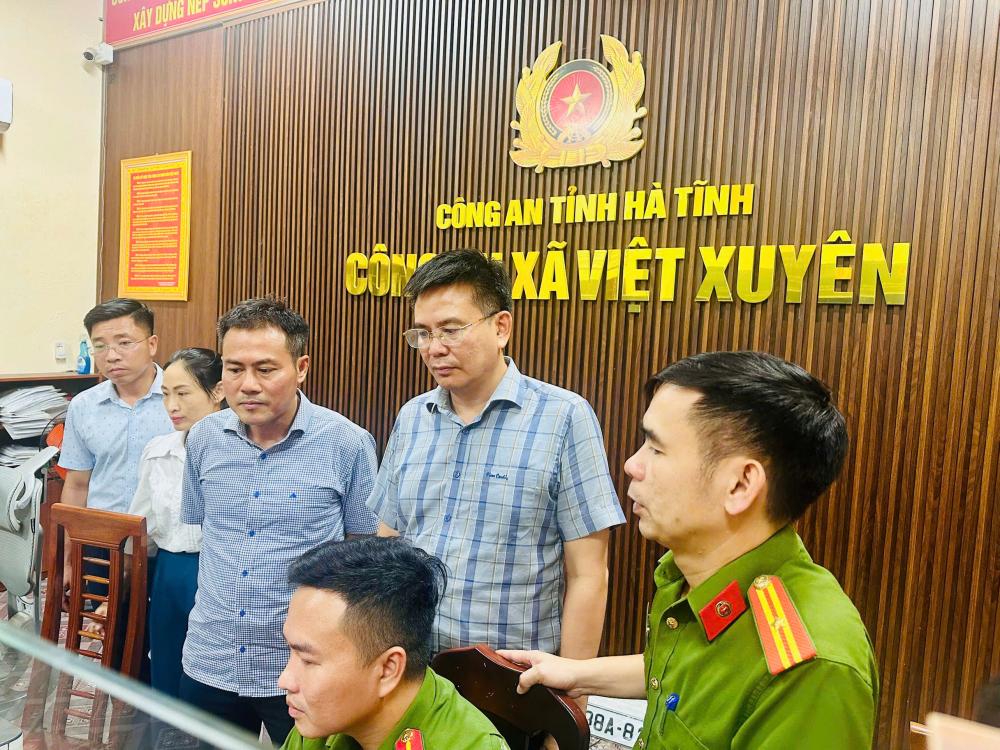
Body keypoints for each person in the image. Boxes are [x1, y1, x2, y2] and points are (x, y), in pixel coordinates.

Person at [500, 352, 880, 749]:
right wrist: (576, 673)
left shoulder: (808, 670)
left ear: (739, 485)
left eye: (656, 449)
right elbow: (684, 672)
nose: (631, 465)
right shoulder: (691, 577)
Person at [369, 250, 625, 666]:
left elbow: (588, 575)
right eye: (423, 334)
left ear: (501, 327)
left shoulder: (563, 417)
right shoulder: (413, 417)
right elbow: (388, 545)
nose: (434, 348)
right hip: (413, 667)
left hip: (510, 678)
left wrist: (572, 692)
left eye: (451, 330)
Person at [179, 297, 379, 744]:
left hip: (303, 666)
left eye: (265, 369)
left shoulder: (347, 443)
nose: (248, 385)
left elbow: (363, 555)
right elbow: (204, 532)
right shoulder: (204, 437)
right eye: (234, 369)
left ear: (301, 368)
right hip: (212, 656)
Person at [279, 537, 509, 750]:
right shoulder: (321, 719)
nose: (284, 680)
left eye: (308, 661)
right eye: (291, 651)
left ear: (388, 669)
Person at [90, 348, 225, 698]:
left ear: (218, 392)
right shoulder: (158, 451)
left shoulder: (237, 454)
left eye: (183, 393)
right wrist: (117, 593)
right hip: (167, 572)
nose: (172, 406)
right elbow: (141, 532)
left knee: (210, 682)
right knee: (165, 671)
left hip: (217, 573)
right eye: (166, 394)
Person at [58, 298, 173, 583]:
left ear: (152, 344)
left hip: (165, 546)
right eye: (100, 346)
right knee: (103, 613)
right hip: (101, 542)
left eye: (124, 343)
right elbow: (77, 485)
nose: (111, 355)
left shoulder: (180, 399)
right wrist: (68, 561)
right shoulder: (83, 406)